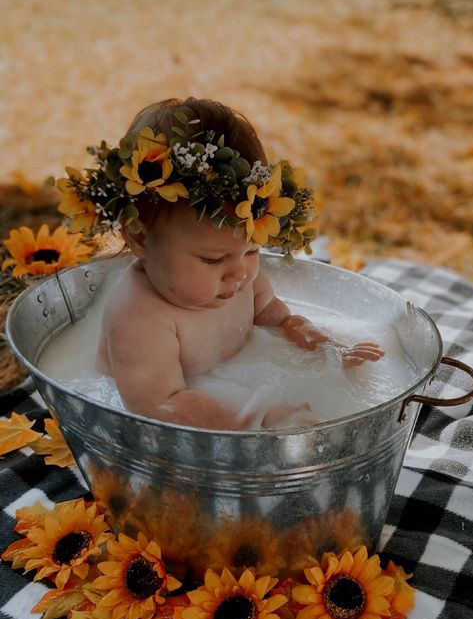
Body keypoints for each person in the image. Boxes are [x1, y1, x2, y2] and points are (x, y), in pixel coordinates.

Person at [57, 96, 383, 429]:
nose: (240, 272)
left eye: (253, 251)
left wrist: (326, 348)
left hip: (229, 380)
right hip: (132, 420)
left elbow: (278, 318)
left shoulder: (240, 279)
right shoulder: (139, 317)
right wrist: (259, 422)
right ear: (140, 238)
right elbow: (158, 407)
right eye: (213, 259)